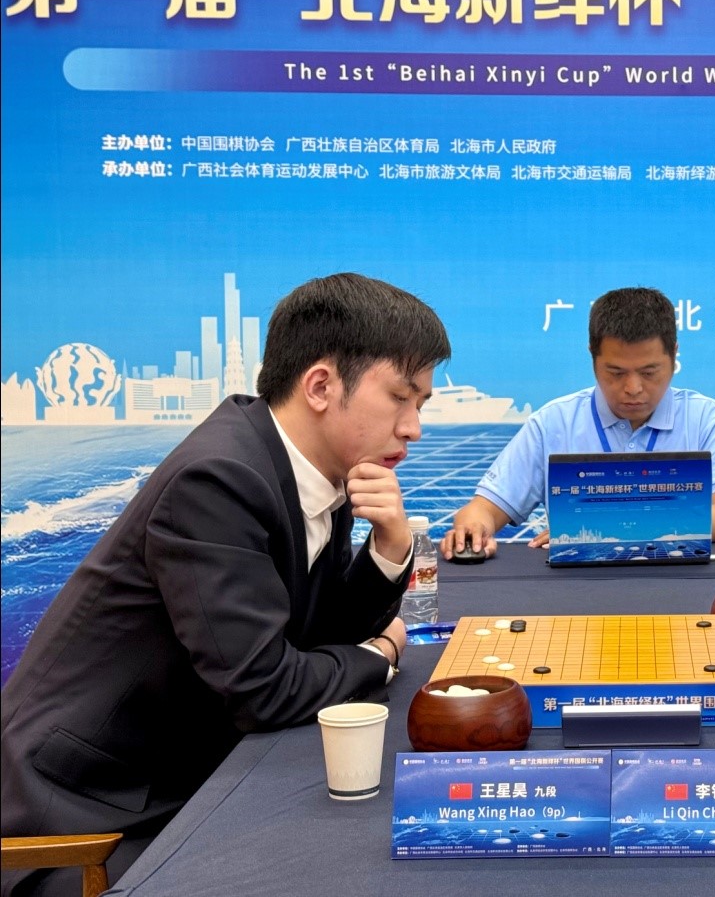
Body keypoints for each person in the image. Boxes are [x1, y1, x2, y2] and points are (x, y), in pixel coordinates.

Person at [0, 273, 450, 897]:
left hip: (186, 769)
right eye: (401, 397)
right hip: (84, 817)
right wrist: (381, 654)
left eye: (421, 404)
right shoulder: (217, 480)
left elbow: (316, 639)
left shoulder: (318, 465)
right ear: (321, 385)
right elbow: (268, 690)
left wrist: (390, 548)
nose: (413, 427)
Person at [442, 286, 715, 557]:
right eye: (616, 372)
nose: (633, 388)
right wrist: (472, 529)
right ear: (592, 357)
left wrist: (599, 528)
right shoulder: (554, 423)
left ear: (674, 354)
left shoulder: (705, 419)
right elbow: (483, 508)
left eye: (649, 372)